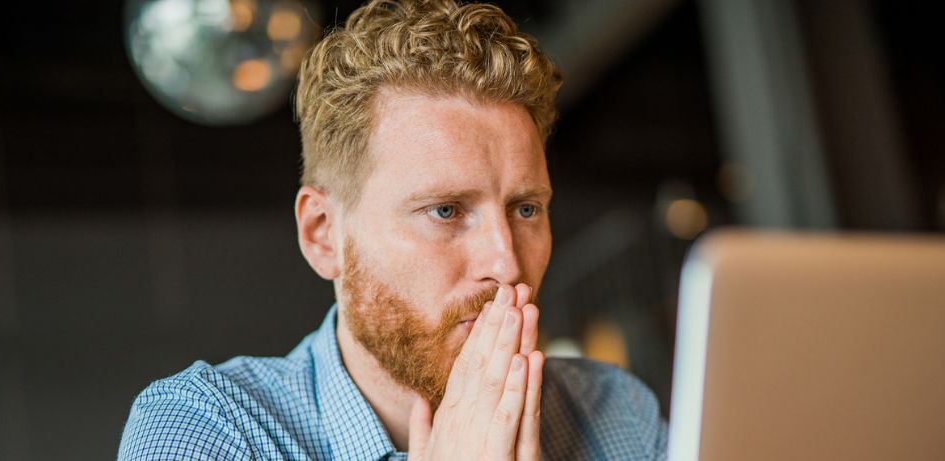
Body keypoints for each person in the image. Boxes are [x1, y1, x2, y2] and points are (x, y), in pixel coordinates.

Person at [117, 0, 669, 459]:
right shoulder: (208, 426)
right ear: (323, 234)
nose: (507, 263)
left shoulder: (614, 410)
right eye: (446, 211)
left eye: (526, 210)